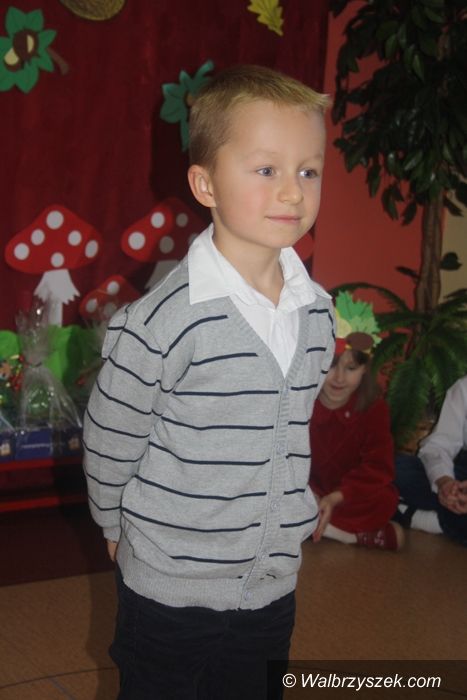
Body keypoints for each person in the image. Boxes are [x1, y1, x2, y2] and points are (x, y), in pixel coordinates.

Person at [83, 64, 335, 699]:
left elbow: (287, 429)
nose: (293, 192)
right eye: (266, 169)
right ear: (205, 184)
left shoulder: (317, 312)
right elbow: (111, 438)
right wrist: (113, 524)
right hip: (171, 587)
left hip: (270, 585)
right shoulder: (161, 322)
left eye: (309, 171)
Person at [309, 292, 404, 551]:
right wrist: (311, 494)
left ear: (364, 370)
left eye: (351, 369)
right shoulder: (303, 401)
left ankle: (327, 529)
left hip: (348, 496)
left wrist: (335, 498)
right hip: (309, 490)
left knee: (384, 499)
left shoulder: (374, 408)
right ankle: (352, 535)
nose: (339, 378)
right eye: (331, 367)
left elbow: (378, 467)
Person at [395, 375, 467, 547]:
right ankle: (450, 515)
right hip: (462, 475)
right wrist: (444, 482)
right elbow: (438, 445)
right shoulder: (464, 388)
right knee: (394, 467)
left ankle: (421, 517)